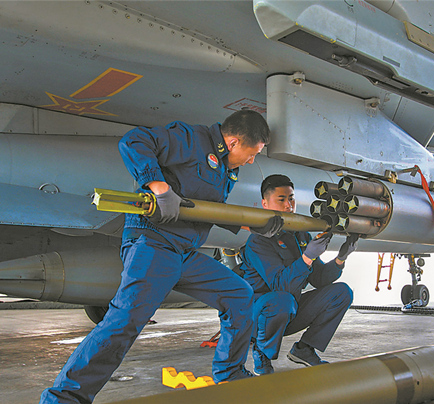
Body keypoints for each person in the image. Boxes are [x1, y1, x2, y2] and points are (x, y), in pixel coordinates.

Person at [41, 110, 272, 403]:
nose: (252, 161)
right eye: (252, 154)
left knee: (239, 294)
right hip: (153, 243)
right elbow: (134, 141)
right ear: (235, 142)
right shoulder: (192, 139)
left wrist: (253, 223)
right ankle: (63, 398)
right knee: (123, 324)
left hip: (184, 251)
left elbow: (205, 206)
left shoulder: (226, 165)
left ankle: (230, 374)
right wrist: (158, 185)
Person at [239, 174, 357, 376]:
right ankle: (262, 352)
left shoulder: (300, 235)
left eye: (291, 198)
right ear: (265, 203)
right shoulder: (258, 241)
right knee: (281, 300)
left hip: (289, 308)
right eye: (281, 199)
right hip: (258, 316)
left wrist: (340, 259)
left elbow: (318, 278)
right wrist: (307, 257)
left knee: (342, 292)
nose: (289, 205)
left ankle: (304, 349)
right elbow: (280, 285)